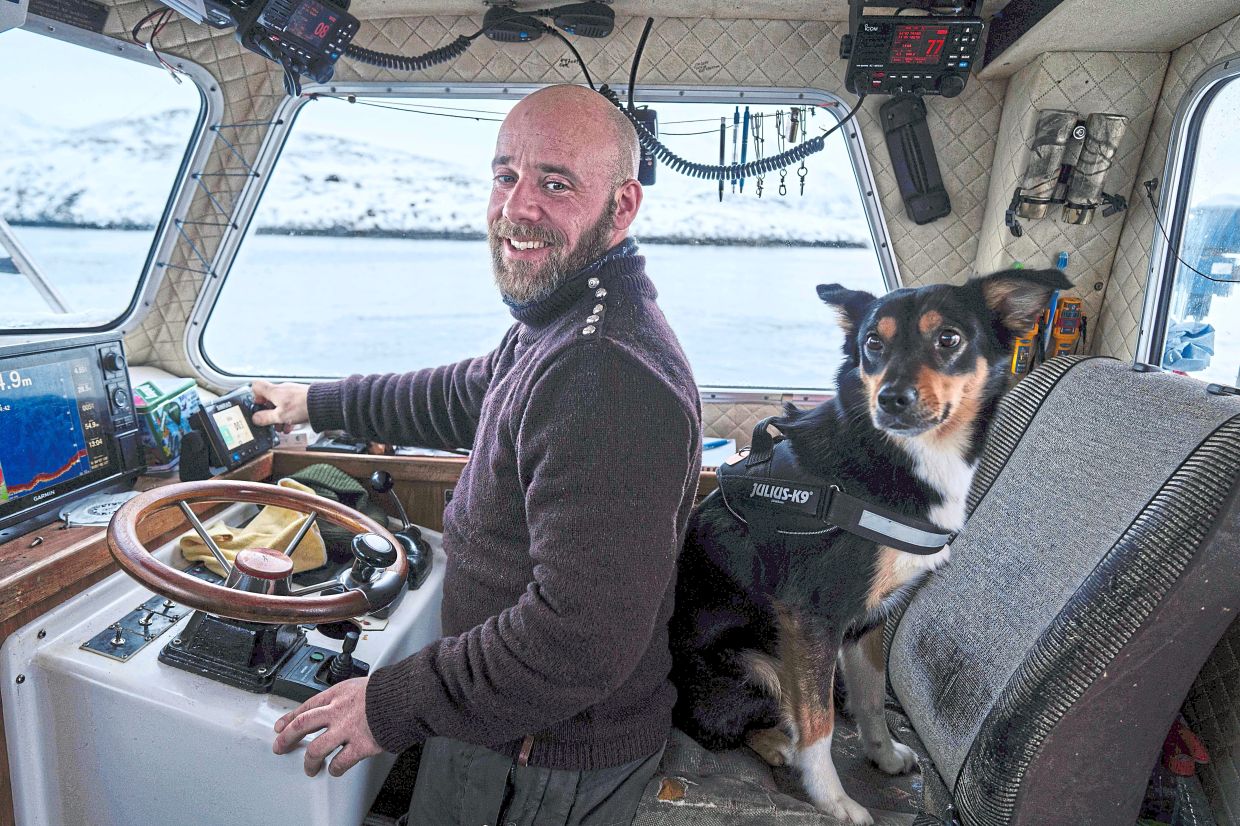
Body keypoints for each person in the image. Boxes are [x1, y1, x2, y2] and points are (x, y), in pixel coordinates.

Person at [254, 84, 702, 826]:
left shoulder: (609, 374)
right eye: (505, 176)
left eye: (555, 183)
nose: (517, 207)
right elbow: (466, 393)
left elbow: (576, 642)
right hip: (503, 718)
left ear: (622, 208)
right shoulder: (563, 321)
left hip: (540, 758)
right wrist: (314, 402)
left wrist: (388, 705)